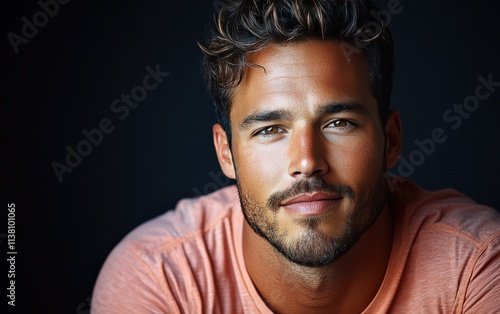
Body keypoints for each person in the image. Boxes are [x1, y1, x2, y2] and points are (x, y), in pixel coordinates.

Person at [92, 0, 500, 313]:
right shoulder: (159, 279)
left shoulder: (477, 266)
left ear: (391, 140)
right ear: (226, 153)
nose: (307, 161)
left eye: (339, 122)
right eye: (270, 130)